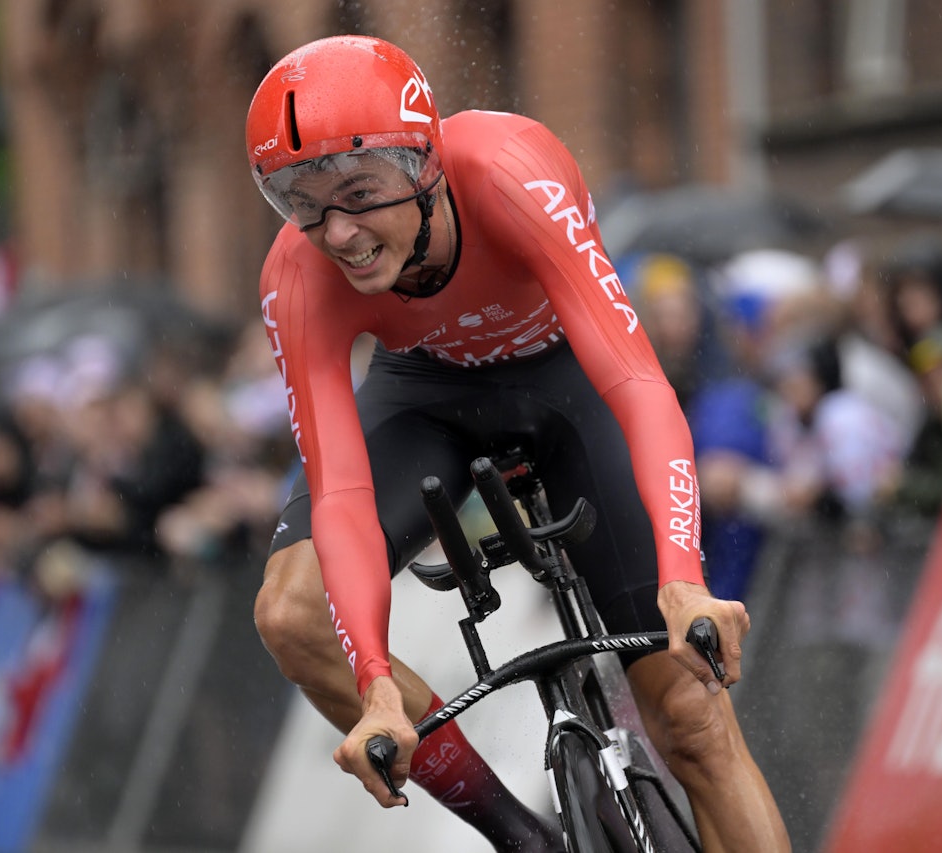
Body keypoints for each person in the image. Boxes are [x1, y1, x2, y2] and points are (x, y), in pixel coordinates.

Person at [246, 35, 788, 853]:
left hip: (568, 384)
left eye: (360, 192)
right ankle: (518, 836)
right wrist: (376, 684)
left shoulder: (506, 169)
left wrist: (683, 580)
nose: (340, 232)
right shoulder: (298, 273)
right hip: (426, 397)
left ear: (424, 164)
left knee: (692, 717)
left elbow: (639, 385)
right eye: (303, 203)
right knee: (290, 612)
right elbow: (344, 495)